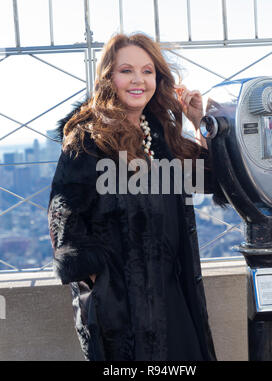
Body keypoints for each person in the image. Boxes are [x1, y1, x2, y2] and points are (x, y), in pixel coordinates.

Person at [48, 32, 217, 361]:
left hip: (173, 295)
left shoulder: (160, 134)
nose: (138, 79)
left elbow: (208, 178)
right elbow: (63, 218)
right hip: (121, 308)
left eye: (147, 71)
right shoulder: (88, 138)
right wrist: (102, 283)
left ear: (158, 78)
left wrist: (198, 123)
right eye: (126, 70)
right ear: (109, 77)